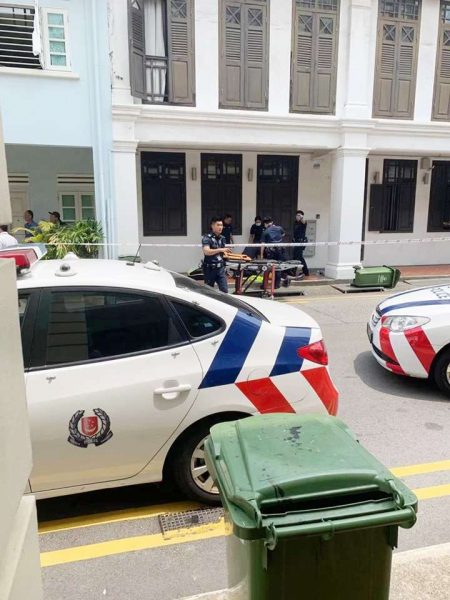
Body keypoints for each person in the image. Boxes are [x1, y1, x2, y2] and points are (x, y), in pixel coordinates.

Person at [202, 217, 229, 293]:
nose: (221, 227)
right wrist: (220, 250)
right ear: (212, 226)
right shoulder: (207, 238)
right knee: (208, 292)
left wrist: (227, 254)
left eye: (221, 225)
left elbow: (221, 254)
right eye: (218, 225)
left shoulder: (222, 238)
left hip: (220, 268)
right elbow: (206, 251)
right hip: (210, 269)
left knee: (224, 291)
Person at [262, 217, 286, 289]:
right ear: (272, 222)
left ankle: (264, 285)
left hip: (271, 252)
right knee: (278, 267)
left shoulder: (265, 231)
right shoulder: (279, 228)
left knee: (267, 267)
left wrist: (261, 255)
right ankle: (276, 285)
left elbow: (262, 245)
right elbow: (283, 234)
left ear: (265, 224)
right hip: (280, 250)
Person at [292, 210, 309, 276]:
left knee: (299, 257)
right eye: (297, 215)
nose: (297, 217)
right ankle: (295, 271)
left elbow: (304, 222)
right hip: (296, 241)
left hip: (301, 241)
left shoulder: (303, 222)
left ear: (302, 216)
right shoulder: (295, 223)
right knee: (295, 256)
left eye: (299, 215)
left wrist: (301, 218)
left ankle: (306, 271)